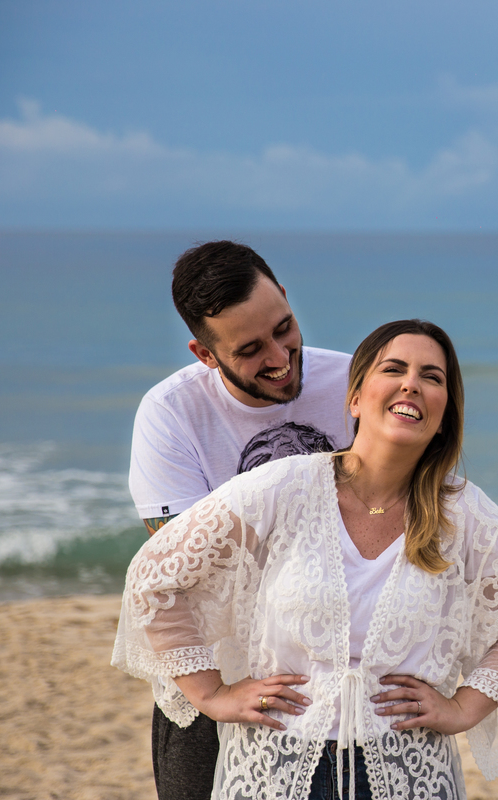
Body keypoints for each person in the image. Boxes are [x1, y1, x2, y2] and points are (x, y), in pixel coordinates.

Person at [113, 319, 498, 800]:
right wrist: (211, 693)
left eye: (432, 377)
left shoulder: (466, 514)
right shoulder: (282, 487)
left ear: (445, 413)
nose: (412, 384)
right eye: (394, 369)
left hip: (408, 774)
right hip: (275, 772)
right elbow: (154, 577)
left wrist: (464, 707)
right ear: (355, 399)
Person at [129, 241, 353, 800]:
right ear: (205, 355)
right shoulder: (171, 413)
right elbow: (173, 573)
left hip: (343, 672)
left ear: (287, 298)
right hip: (219, 674)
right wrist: (210, 695)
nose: (280, 357)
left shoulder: (358, 383)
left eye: (285, 328)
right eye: (250, 349)